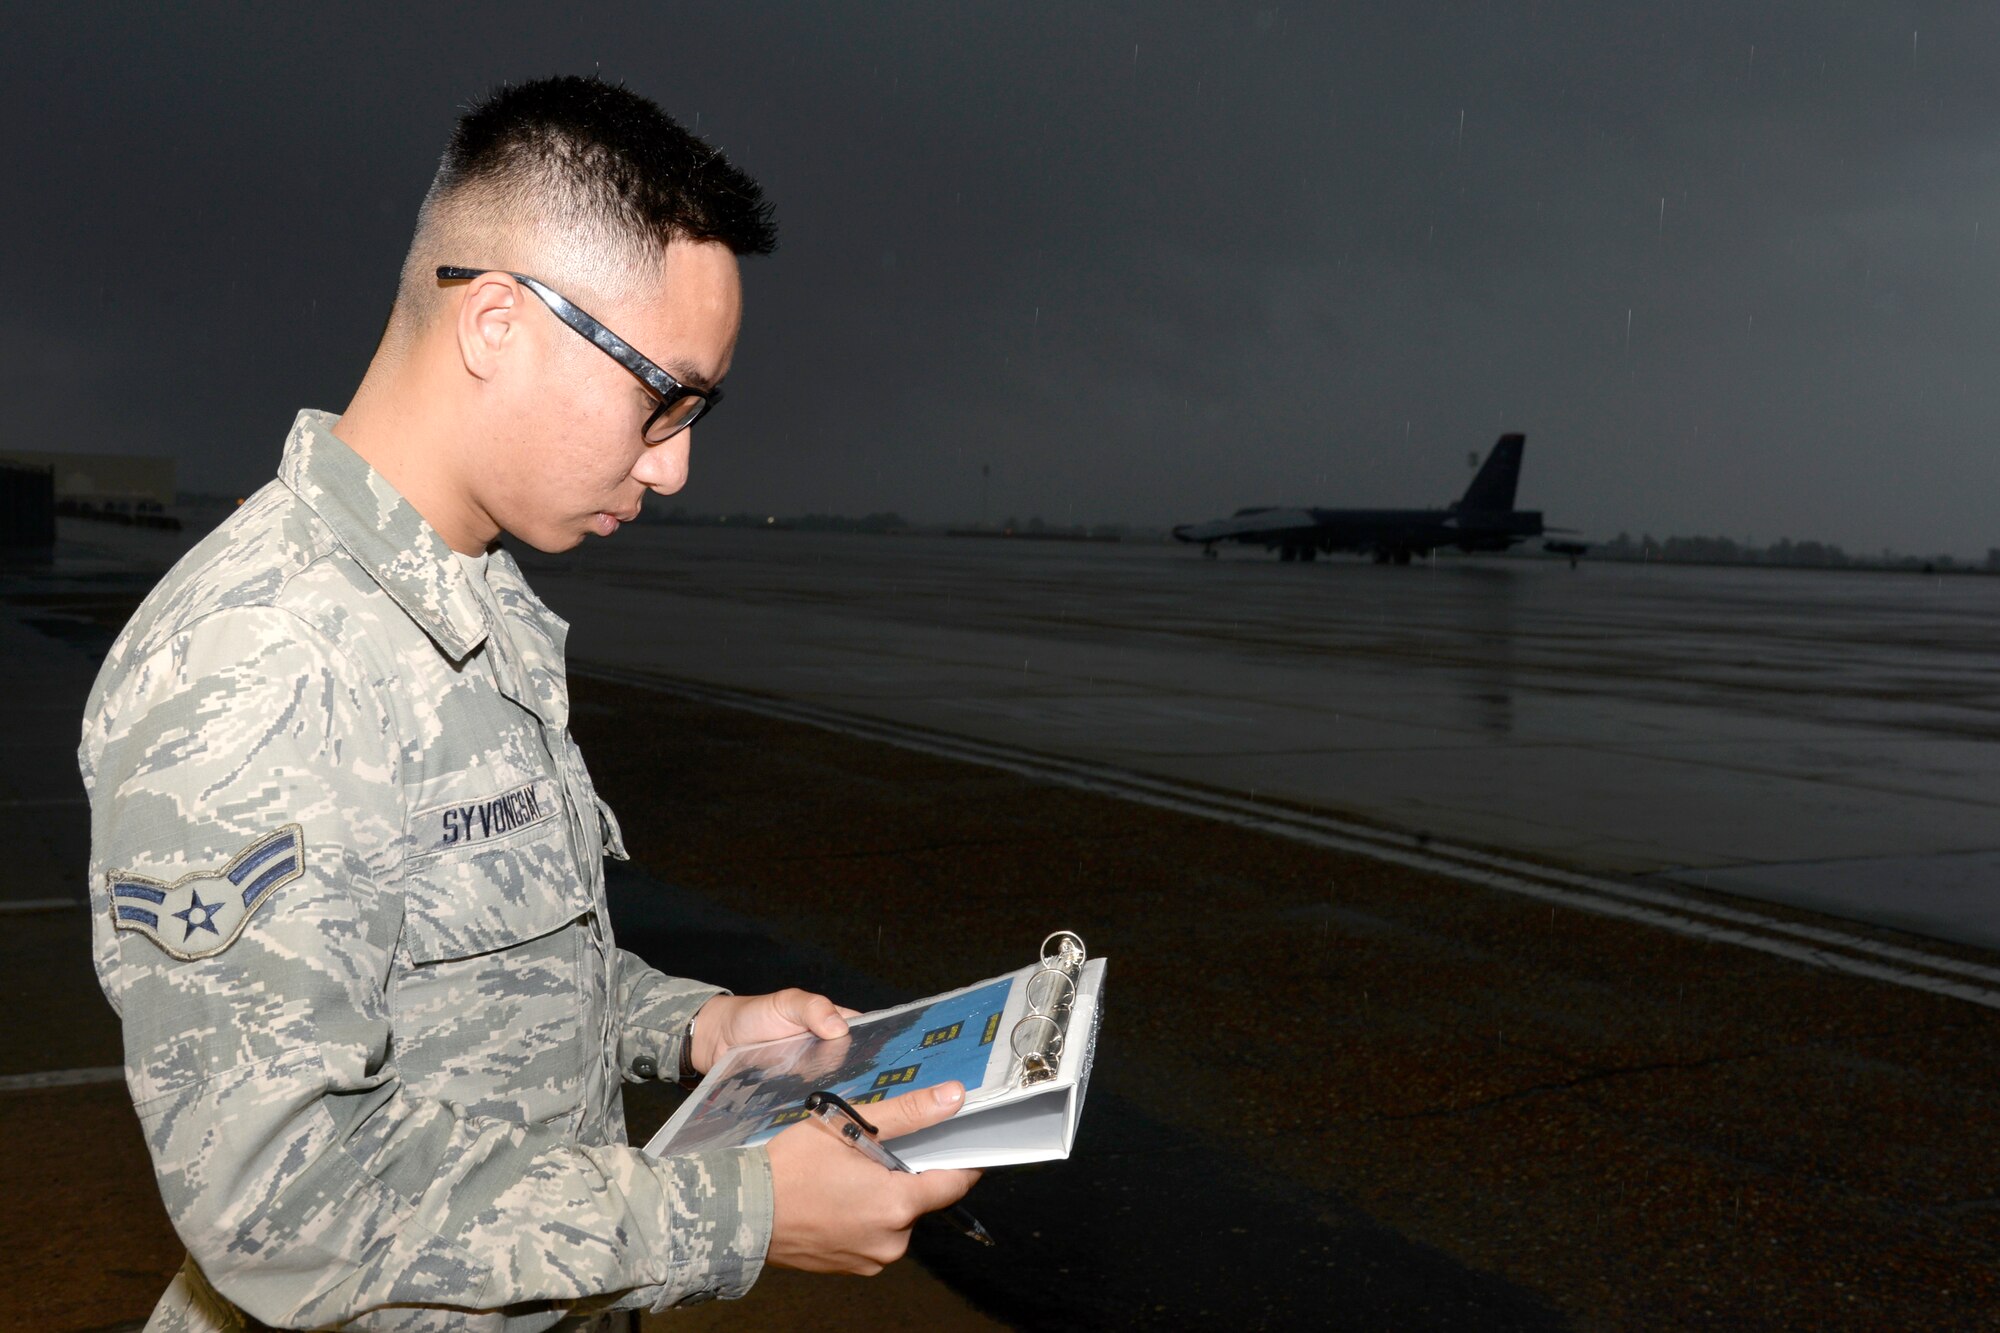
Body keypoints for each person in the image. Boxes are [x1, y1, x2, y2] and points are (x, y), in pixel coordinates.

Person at [79, 76, 977, 1331]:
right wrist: (746, 1212)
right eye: (661, 397)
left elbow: (481, 983)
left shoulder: (469, 596)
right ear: (496, 322)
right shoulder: (263, 658)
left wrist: (700, 1028)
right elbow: (278, 1205)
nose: (673, 464)